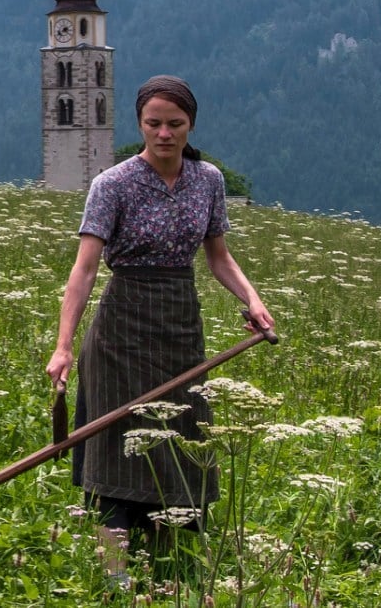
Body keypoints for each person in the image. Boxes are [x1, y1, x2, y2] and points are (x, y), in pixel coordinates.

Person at [44, 75, 274, 588]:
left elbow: (219, 257)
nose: (164, 133)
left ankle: (174, 567)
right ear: (140, 124)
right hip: (120, 330)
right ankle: (116, 575)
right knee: (116, 441)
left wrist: (252, 300)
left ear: (191, 125)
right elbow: (84, 270)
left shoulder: (208, 180)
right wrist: (63, 347)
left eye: (175, 123)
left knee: (182, 437)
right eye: (154, 123)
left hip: (180, 326)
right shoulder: (113, 184)